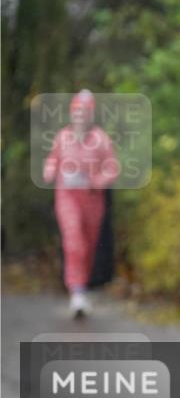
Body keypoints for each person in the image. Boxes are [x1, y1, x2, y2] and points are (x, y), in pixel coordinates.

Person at [43, 90, 120, 318]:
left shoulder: (101, 139)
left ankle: (81, 288)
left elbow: (112, 168)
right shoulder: (62, 137)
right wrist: (49, 171)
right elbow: (52, 160)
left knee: (87, 245)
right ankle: (76, 293)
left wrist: (97, 181)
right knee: (73, 239)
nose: (81, 116)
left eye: (85, 112)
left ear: (91, 114)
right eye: (77, 111)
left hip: (92, 199)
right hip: (67, 196)